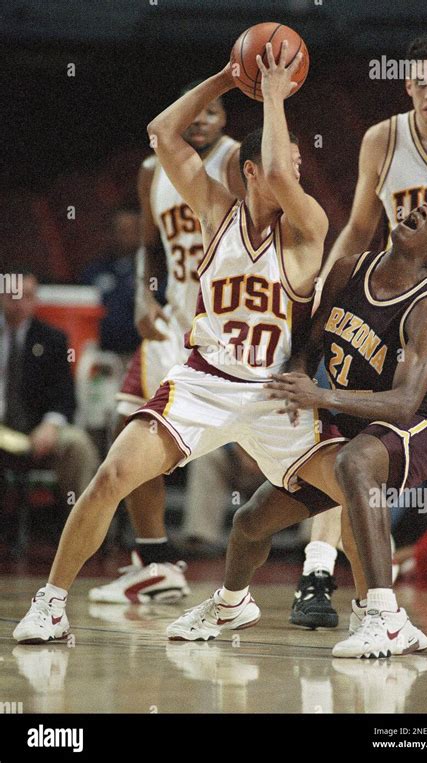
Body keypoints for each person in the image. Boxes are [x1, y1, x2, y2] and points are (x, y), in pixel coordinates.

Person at [13, 41, 329, 644]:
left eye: (290, 158)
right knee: (112, 473)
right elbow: (161, 131)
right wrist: (226, 76)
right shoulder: (216, 208)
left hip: (272, 390)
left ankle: (380, 611)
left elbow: (286, 173)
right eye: (274, 156)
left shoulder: (308, 226)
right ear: (249, 169)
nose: (288, 167)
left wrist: (270, 91)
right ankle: (52, 602)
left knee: (354, 483)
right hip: (203, 378)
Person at [167, 197, 427, 659]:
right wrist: (300, 378)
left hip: (422, 424)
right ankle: (229, 604)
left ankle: (384, 617)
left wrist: (321, 396)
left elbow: (406, 403)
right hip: (350, 422)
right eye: (423, 206)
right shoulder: (348, 271)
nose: (422, 211)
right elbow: (307, 343)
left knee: (355, 462)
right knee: (250, 521)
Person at [293, 34, 427, 631]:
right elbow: (358, 227)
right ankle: (317, 573)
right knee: (344, 434)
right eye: (417, 81)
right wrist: (329, 284)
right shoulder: (383, 138)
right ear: (406, 85)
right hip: (383, 300)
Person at [88, 82, 244, 603]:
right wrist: (144, 299)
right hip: (168, 325)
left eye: (213, 112)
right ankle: (155, 562)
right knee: (125, 430)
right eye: (193, 114)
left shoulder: (237, 162)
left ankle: (320, 562)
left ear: (224, 120)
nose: (201, 122)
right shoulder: (152, 170)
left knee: (255, 454)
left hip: (225, 328)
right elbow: (150, 250)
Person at [0, 271, 100, 508]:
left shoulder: (52, 339)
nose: (19, 303)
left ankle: (79, 528)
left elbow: (65, 398)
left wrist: (51, 424)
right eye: (13, 296)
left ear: (36, 300)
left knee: (78, 445)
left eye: (27, 296)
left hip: (37, 428)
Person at [80, 208, 141, 359]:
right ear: (110, 233)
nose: (125, 236)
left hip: (137, 354)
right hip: (100, 354)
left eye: (131, 230)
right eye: (120, 230)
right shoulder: (93, 271)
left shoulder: (149, 274)